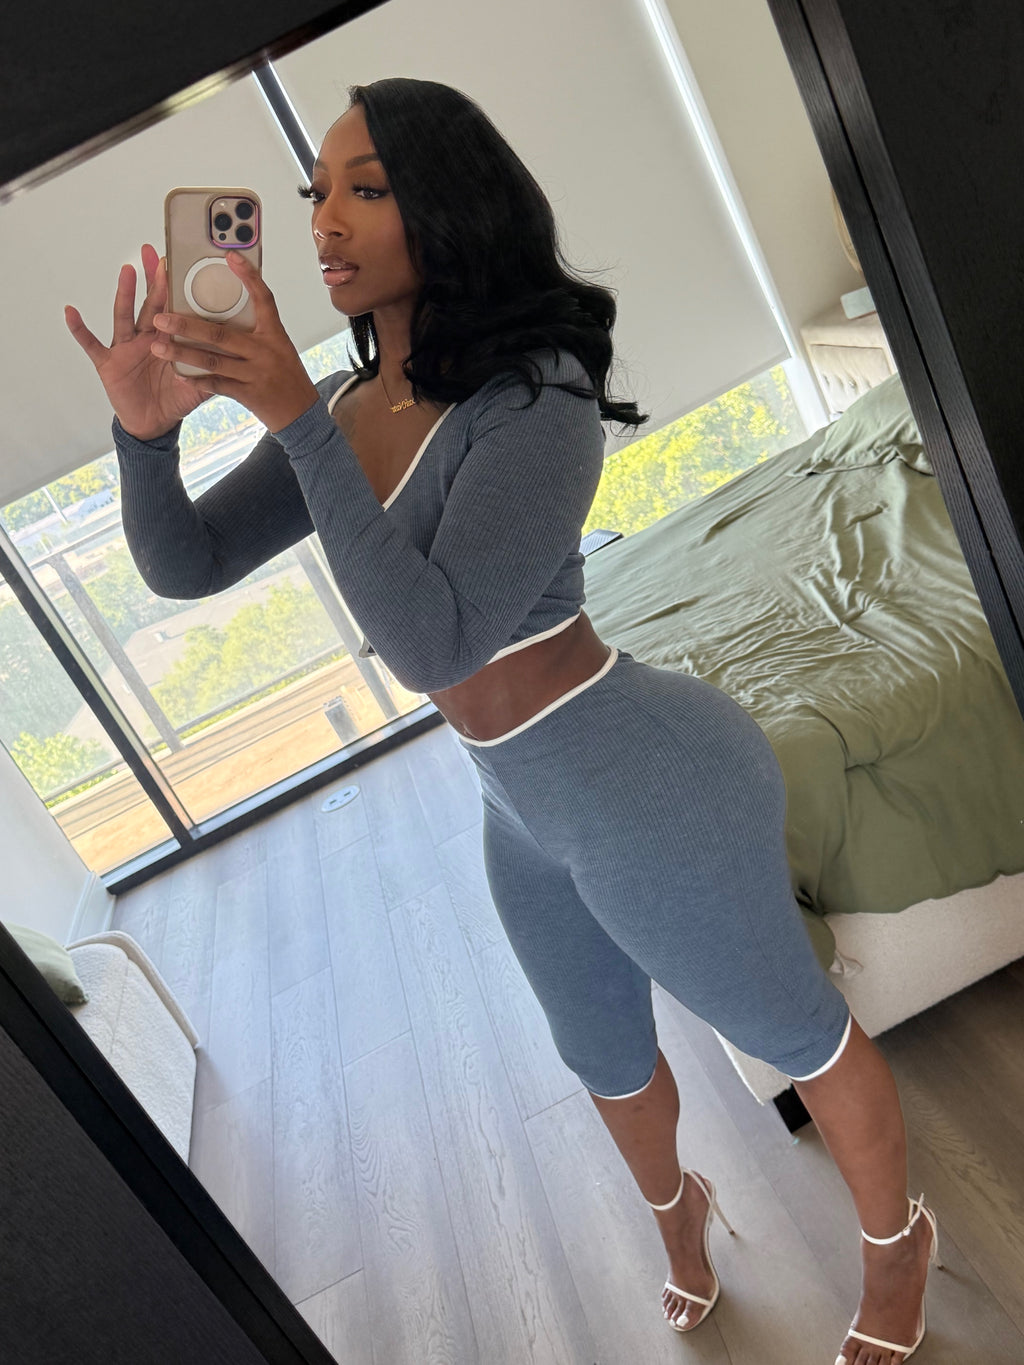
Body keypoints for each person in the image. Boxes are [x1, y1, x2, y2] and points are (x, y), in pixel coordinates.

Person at [66, 76, 942, 1365]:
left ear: (449, 205)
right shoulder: (350, 411)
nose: (324, 222)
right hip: (516, 800)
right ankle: (682, 1217)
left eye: (366, 190)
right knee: (601, 1054)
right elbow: (186, 563)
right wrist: (144, 439)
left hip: (644, 779)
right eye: (317, 194)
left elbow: (435, 640)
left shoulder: (537, 395)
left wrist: (299, 425)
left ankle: (897, 1248)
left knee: (796, 1033)